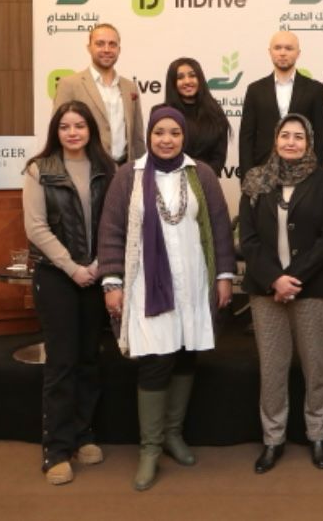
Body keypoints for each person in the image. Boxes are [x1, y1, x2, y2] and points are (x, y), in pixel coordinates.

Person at [97, 106, 236, 491]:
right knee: (156, 362)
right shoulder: (129, 175)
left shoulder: (200, 174)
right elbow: (111, 231)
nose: (167, 139)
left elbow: (220, 228)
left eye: (175, 132)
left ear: (184, 137)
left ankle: (174, 434)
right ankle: (150, 448)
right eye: (159, 132)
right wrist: (112, 282)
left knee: (187, 355)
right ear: (149, 136)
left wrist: (224, 276)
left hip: (193, 282)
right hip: (147, 286)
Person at [239, 114, 323, 474]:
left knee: (317, 367)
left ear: (309, 142)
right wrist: (274, 279)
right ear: (275, 139)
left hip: (314, 290)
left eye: (299, 137)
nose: (291, 142)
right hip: (266, 292)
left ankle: (318, 435)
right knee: (272, 369)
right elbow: (248, 239)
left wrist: (292, 278)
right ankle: (273, 439)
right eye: (285, 135)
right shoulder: (256, 180)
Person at [23, 100, 116, 485]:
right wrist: (73, 267)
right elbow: (36, 228)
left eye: (79, 125)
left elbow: (114, 221)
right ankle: (56, 449)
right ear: (56, 131)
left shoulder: (107, 168)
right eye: (65, 127)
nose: (73, 132)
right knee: (61, 362)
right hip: (56, 276)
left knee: (88, 359)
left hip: (95, 274)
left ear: (90, 129)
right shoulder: (39, 169)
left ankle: (83, 435)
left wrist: (98, 264)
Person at [238, 31, 323, 178]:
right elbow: (246, 138)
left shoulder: (314, 89)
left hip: (304, 171)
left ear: (298, 53)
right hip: (263, 172)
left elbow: (321, 137)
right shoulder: (255, 89)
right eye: (278, 48)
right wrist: (247, 177)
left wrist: (318, 175)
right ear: (270, 52)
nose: (282, 53)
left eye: (288, 48)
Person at [53, 23, 144, 164]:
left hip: (124, 168)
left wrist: (141, 169)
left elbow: (137, 137)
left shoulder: (130, 87)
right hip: (85, 168)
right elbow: (57, 132)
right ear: (89, 48)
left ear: (119, 50)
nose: (107, 49)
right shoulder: (69, 84)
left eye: (112, 44)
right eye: (100, 44)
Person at [164, 57, 231, 175]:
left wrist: (200, 179)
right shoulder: (162, 113)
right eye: (180, 77)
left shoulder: (215, 112)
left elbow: (219, 158)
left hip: (206, 179)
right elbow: (160, 154)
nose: (187, 81)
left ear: (200, 79)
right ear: (173, 82)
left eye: (192, 75)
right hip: (170, 178)